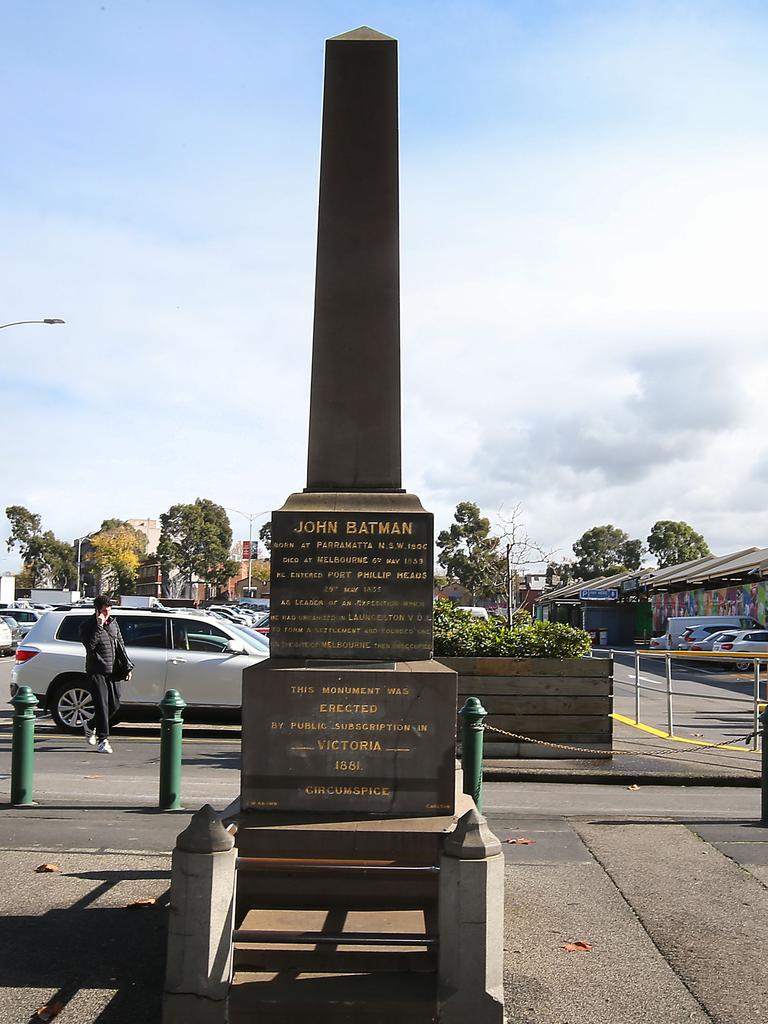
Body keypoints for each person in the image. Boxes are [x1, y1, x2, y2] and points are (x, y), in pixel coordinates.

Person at [79, 595, 131, 754]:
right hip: (97, 671)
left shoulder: (113, 624)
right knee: (102, 705)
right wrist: (98, 626)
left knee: (114, 705)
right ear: (97, 610)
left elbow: (120, 646)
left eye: (109, 610)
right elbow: (90, 646)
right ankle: (103, 740)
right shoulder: (87, 626)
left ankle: (91, 724)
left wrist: (127, 667)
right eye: (104, 611)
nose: (107, 614)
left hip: (113, 671)